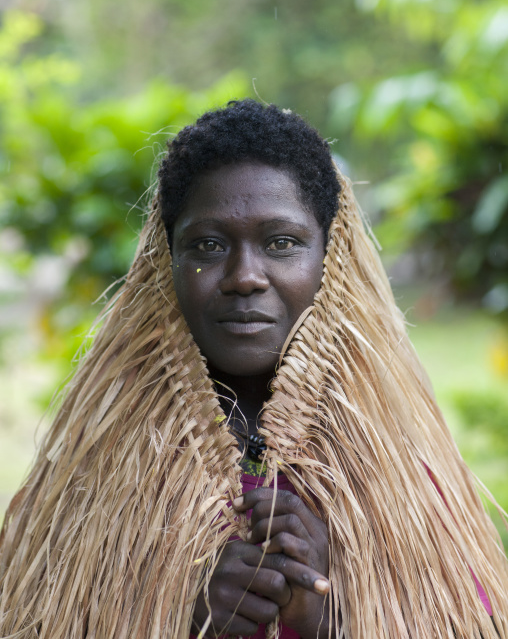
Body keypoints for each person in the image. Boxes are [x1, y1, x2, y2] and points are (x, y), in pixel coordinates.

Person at [0, 99, 507, 638]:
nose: (245, 276)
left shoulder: (391, 466)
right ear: (164, 259)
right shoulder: (102, 469)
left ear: (331, 256)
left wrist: (322, 613)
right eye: (208, 245)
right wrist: (178, 608)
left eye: (282, 243)